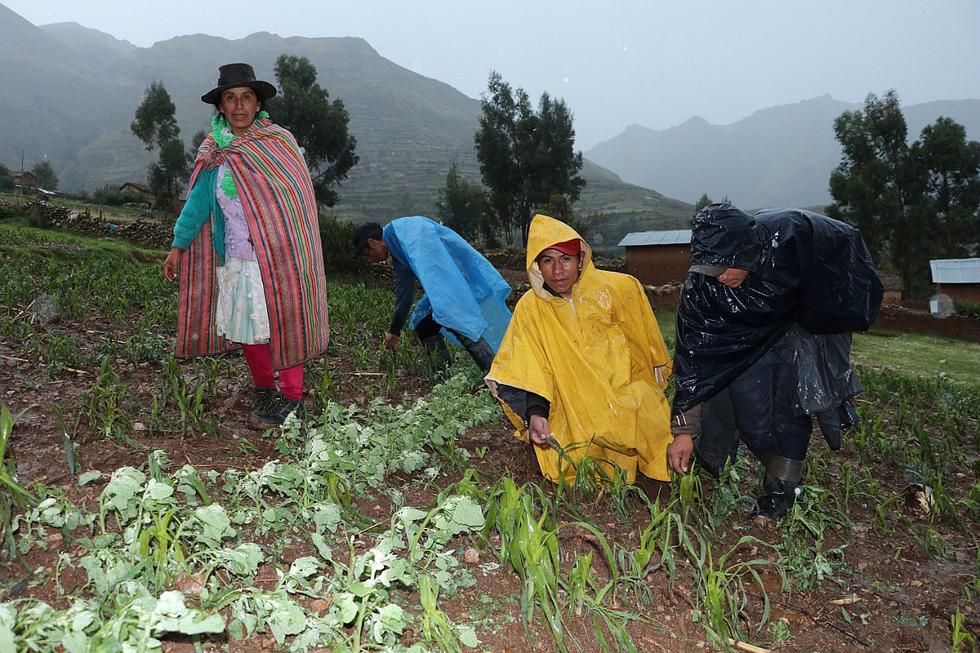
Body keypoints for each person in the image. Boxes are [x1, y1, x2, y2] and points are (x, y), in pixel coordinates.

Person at [667, 203, 883, 518]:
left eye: (729, 266)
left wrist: (827, 354)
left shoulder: (791, 242)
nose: (722, 276)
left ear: (750, 251)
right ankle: (780, 471)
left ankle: (783, 493)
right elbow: (692, 357)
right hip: (750, 338)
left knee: (794, 407)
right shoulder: (702, 290)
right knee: (754, 422)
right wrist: (683, 431)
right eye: (714, 267)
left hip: (801, 325)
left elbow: (842, 278)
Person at [162, 63, 329, 426]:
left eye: (246, 97)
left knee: (284, 323)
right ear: (220, 106)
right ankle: (264, 390)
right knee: (248, 327)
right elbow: (198, 205)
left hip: (280, 259)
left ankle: (292, 398)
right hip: (238, 258)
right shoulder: (215, 154)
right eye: (230, 98)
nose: (238, 105)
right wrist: (178, 245)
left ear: (258, 104)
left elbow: (295, 199)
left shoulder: (278, 145)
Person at [485, 214, 674, 495]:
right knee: (572, 457)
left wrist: (644, 387)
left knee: (650, 413)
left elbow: (642, 344)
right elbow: (530, 366)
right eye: (548, 260)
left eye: (566, 259)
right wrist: (536, 413)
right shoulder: (531, 309)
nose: (558, 270)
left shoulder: (619, 290)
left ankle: (656, 484)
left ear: (581, 259)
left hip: (622, 391)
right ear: (537, 265)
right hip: (569, 403)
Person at [353, 217, 511, 373]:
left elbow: (434, 266)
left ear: (372, 242)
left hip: (456, 273)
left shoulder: (407, 232)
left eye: (368, 254)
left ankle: (492, 371)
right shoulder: (396, 251)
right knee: (423, 323)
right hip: (445, 280)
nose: (371, 260)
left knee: (452, 314)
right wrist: (394, 331)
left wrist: (444, 302)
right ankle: (442, 370)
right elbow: (404, 296)